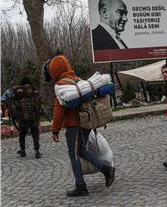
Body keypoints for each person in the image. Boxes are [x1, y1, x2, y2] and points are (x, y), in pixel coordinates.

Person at [43, 55, 116, 197]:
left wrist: (55, 130)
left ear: (54, 71)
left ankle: (81, 185)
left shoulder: (61, 85)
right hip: (86, 123)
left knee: (74, 153)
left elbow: (59, 110)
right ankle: (106, 170)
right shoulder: (78, 80)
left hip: (74, 125)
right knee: (81, 150)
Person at [8, 77, 42, 159]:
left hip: (22, 118)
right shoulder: (34, 91)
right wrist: (38, 115)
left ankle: (22, 150)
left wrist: (16, 116)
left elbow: (12, 105)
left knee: (22, 134)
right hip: (33, 117)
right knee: (35, 134)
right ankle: (37, 151)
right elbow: (39, 105)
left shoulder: (17, 92)